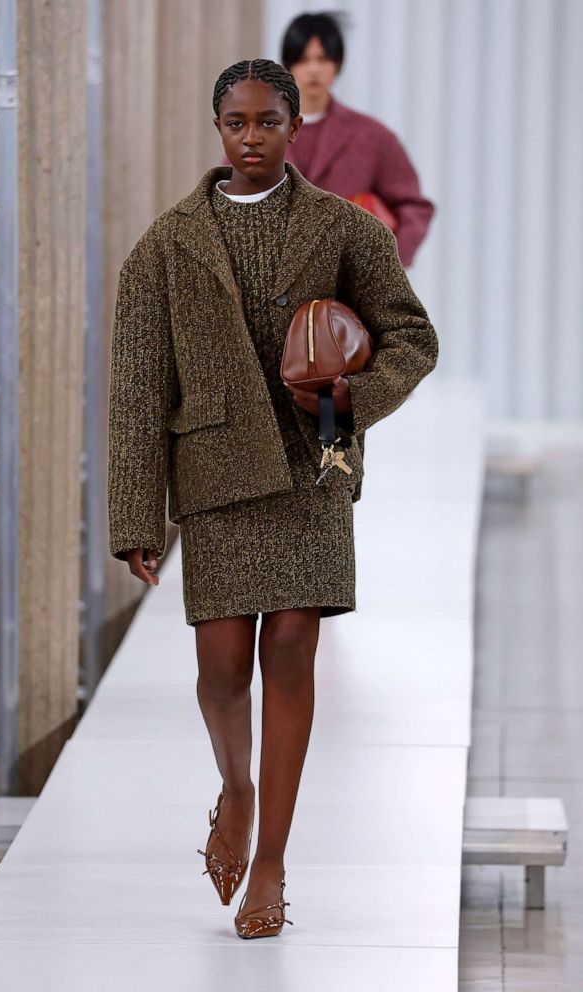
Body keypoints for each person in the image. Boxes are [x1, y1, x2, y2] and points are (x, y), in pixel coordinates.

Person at [108, 58, 438, 940]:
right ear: (218, 128)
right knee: (221, 666)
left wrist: (352, 400)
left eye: (266, 121)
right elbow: (139, 386)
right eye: (235, 122)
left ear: (296, 126)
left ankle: (273, 865)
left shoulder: (342, 228)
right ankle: (237, 786)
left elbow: (412, 336)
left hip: (311, 466)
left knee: (291, 648)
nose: (250, 137)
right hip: (215, 473)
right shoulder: (167, 243)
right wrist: (136, 515)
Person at [281, 11, 435, 267]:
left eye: (323, 59)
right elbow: (228, 200)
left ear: (338, 64)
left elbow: (414, 208)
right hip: (276, 287)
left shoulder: (371, 137)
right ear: (288, 65)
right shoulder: (260, 132)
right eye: (303, 59)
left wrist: (387, 265)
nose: (314, 70)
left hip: (350, 289)